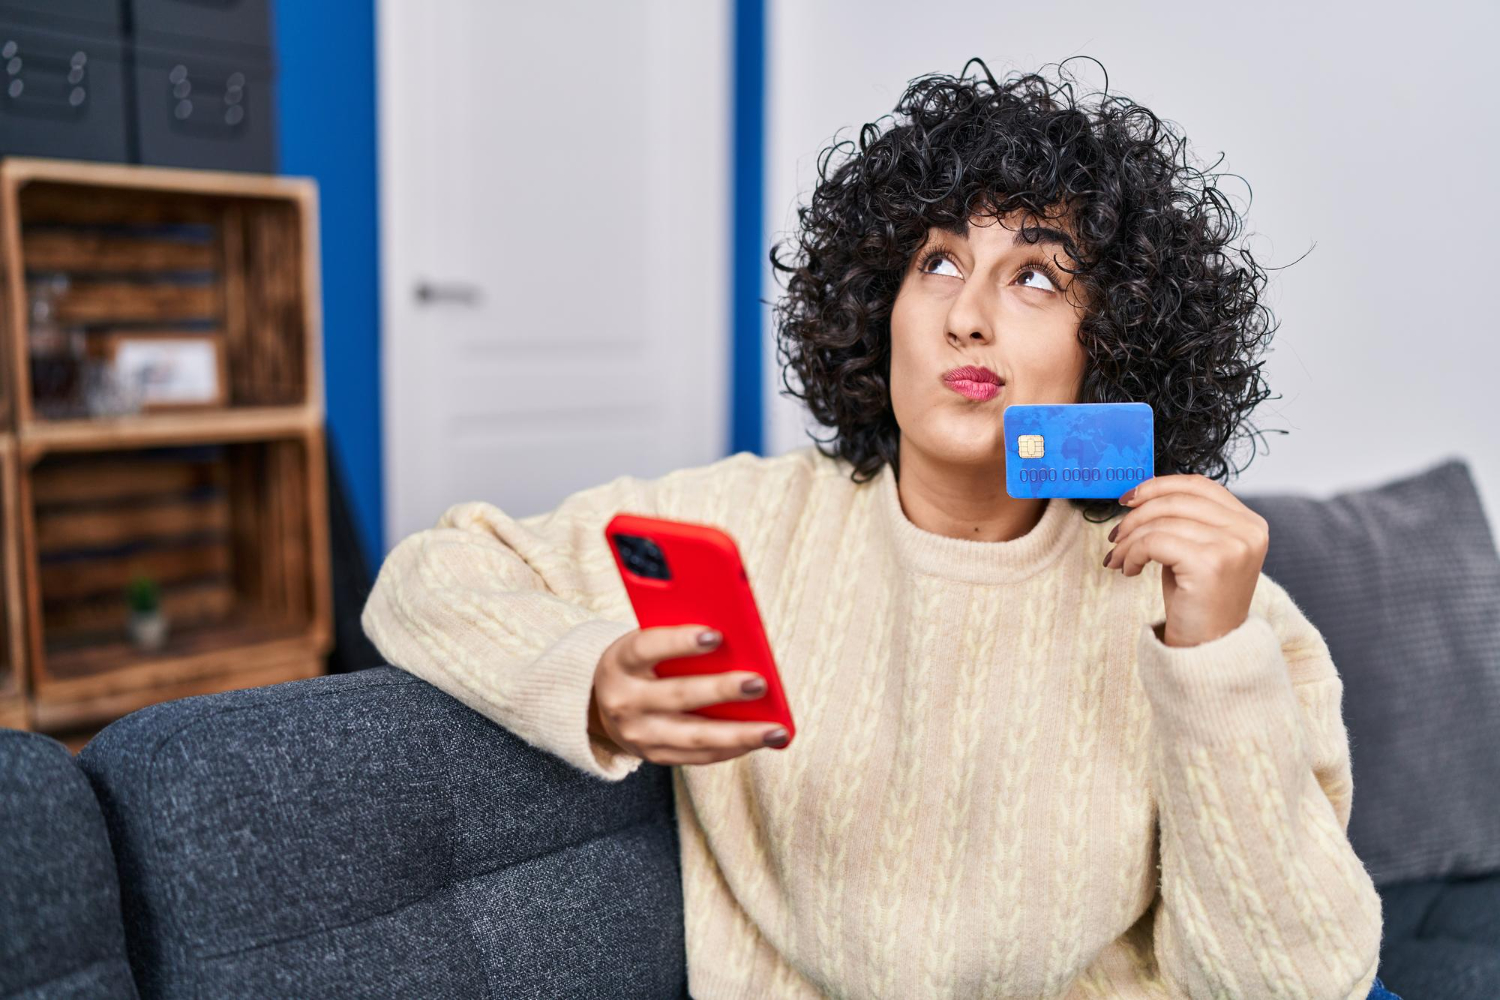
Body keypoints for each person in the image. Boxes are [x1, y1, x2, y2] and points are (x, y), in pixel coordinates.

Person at [363, 57, 1388, 999]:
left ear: (1109, 343)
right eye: (938, 262)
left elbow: (1293, 985)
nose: (968, 315)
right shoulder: (744, 522)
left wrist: (1215, 665)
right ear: (876, 306)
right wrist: (587, 678)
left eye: (1035, 274)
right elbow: (427, 573)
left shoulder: (1211, 612)